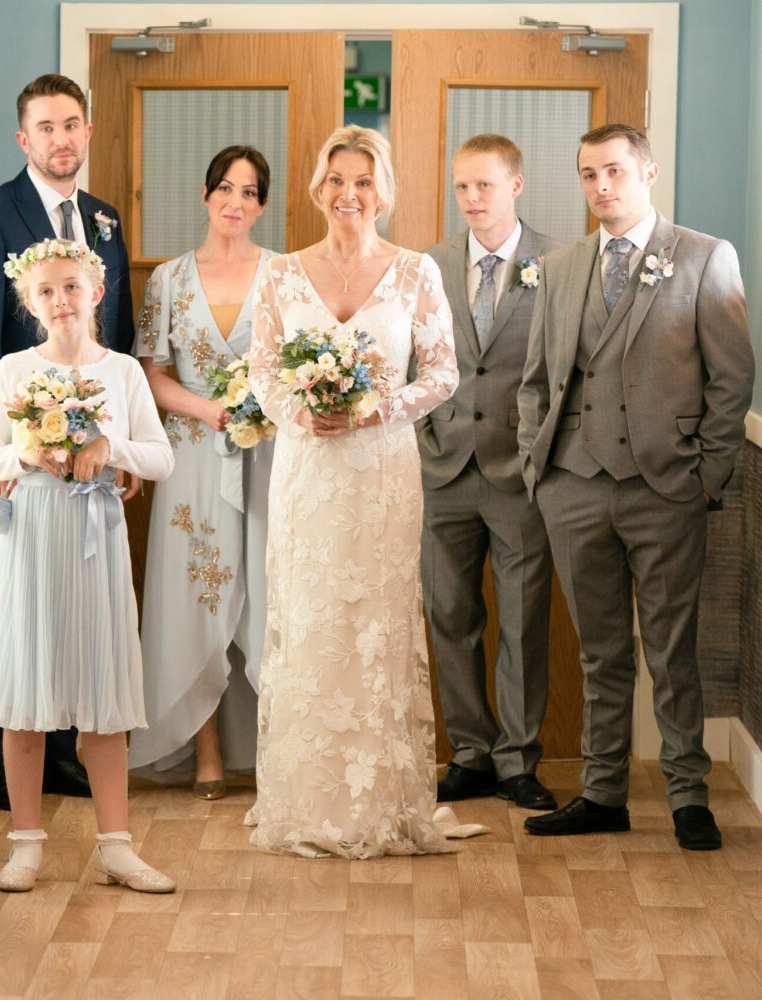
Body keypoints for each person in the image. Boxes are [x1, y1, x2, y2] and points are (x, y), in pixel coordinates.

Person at [518, 123, 754, 851]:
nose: (601, 188)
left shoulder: (705, 257)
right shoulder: (559, 269)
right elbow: (537, 382)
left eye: (615, 172)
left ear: (647, 174)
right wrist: (541, 468)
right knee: (600, 650)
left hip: (666, 489)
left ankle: (688, 796)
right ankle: (602, 791)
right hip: (574, 488)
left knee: (672, 650)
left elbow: (731, 379)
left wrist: (705, 477)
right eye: (589, 175)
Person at [245, 126, 464, 858]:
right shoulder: (279, 274)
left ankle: (379, 803)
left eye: (364, 181)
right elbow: (263, 371)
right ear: (317, 186)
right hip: (308, 472)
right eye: (337, 179)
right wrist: (300, 409)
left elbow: (441, 374)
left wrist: (373, 408)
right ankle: (305, 802)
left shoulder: (416, 272)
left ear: (384, 189)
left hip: (381, 473)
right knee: (310, 619)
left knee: (375, 623)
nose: (349, 194)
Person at [0, 73, 136, 809]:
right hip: (13, 463)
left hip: (88, 464)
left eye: (71, 125)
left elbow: (112, 340)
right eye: (46, 127)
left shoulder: (104, 219)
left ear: (88, 132)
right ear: (24, 139)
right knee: (4, 598)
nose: (61, 139)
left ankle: (62, 753)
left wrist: (111, 442)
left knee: (72, 603)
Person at [0, 238, 176, 892]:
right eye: (47, 292)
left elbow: (160, 456)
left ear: (97, 291)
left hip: (96, 538)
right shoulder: (12, 371)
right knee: (25, 696)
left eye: (71, 287)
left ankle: (116, 845)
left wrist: (112, 447)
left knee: (104, 700)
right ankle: (26, 845)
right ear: (31, 302)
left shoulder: (123, 372)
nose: (61, 301)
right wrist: (26, 454)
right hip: (30, 540)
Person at [127, 146, 278, 798]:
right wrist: (210, 410)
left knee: (272, 598)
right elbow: (151, 372)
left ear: (262, 205)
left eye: (248, 192)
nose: (235, 202)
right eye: (225, 188)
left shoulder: (283, 277)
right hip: (189, 457)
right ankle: (206, 750)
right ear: (205, 194)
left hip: (267, 457)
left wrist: (256, 408)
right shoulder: (167, 280)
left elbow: (296, 368)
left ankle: (279, 752)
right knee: (197, 600)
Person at [418, 135, 561, 811]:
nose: (472, 200)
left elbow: (567, 370)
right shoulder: (431, 264)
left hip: (521, 473)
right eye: (462, 188)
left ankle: (518, 761)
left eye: (485, 186)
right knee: (449, 614)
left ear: (517, 186)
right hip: (441, 469)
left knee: (525, 620)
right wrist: (422, 438)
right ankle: (470, 754)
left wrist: (542, 458)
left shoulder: (557, 262)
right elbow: (406, 358)